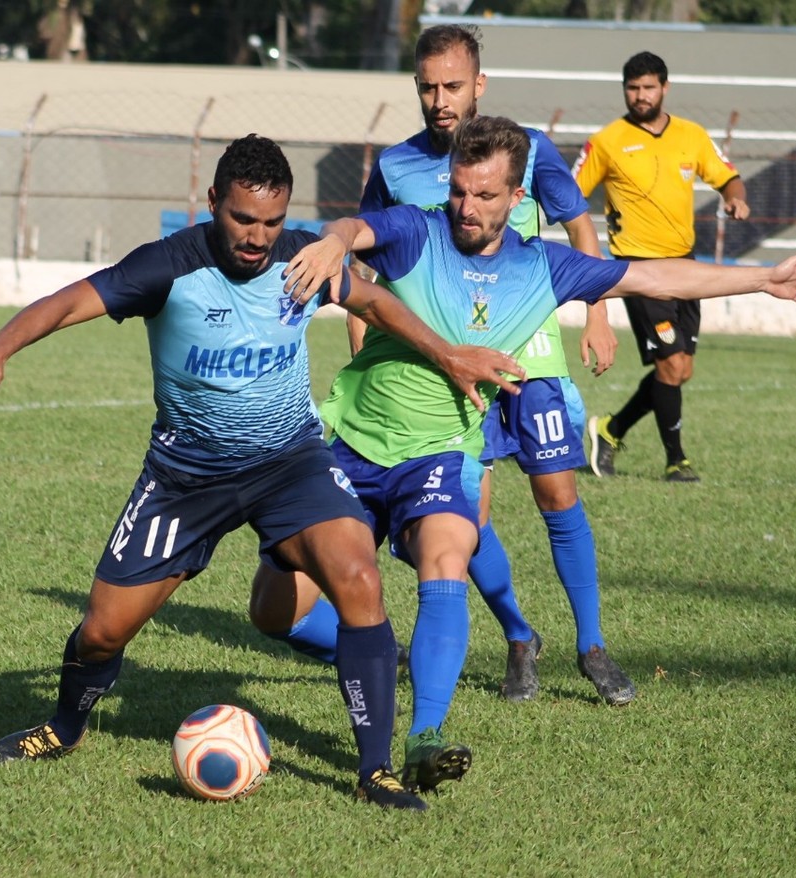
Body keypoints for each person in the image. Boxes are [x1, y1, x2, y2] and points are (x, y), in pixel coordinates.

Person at [0, 134, 524, 812]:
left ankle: (375, 770)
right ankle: (63, 729)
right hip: (187, 477)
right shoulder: (170, 265)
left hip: (290, 463)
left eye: (271, 223)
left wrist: (448, 355)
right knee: (101, 630)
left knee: (359, 577)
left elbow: (373, 303)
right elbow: (70, 301)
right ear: (214, 202)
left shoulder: (302, 258)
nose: (257, 237)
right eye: (244, 219)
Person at [257, 116, 796, 794]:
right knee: (273, 608)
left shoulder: (542, 267)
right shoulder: (418, 231)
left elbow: (656, 276)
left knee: (447, 556)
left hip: (443, 453)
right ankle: (382, 652)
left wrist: (761, 278)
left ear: (516, 196)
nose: (466, 209)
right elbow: (358, 231)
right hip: (355, 442)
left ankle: (425, 736)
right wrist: (330, 242)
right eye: (459, 192)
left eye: (484, 196)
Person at [255, 22, 637, 711]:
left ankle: (593, 646)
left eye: (452, 86)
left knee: (556, 493)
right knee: (464, 519)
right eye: (427, 87)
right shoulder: (396, 168)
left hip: (529, 347)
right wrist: (366, 343)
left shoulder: (526, 149)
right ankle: (519, 635)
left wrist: (601, 315)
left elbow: (581, 228)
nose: (439, 99)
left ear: (477, 84)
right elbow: (367, 263)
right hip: (438, 366)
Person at [575, 51, 750, 483]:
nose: (640, 96)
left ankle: (610, 430)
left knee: (681, 370)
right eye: (632, 88)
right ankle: (676, 460)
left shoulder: (692, 135)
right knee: (671, 366)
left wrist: (734, 196)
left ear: (665, 88)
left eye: (648, 87)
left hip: (686, 268)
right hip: (639, 269)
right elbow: (570, 192)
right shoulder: (607, 141)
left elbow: (727, 175)